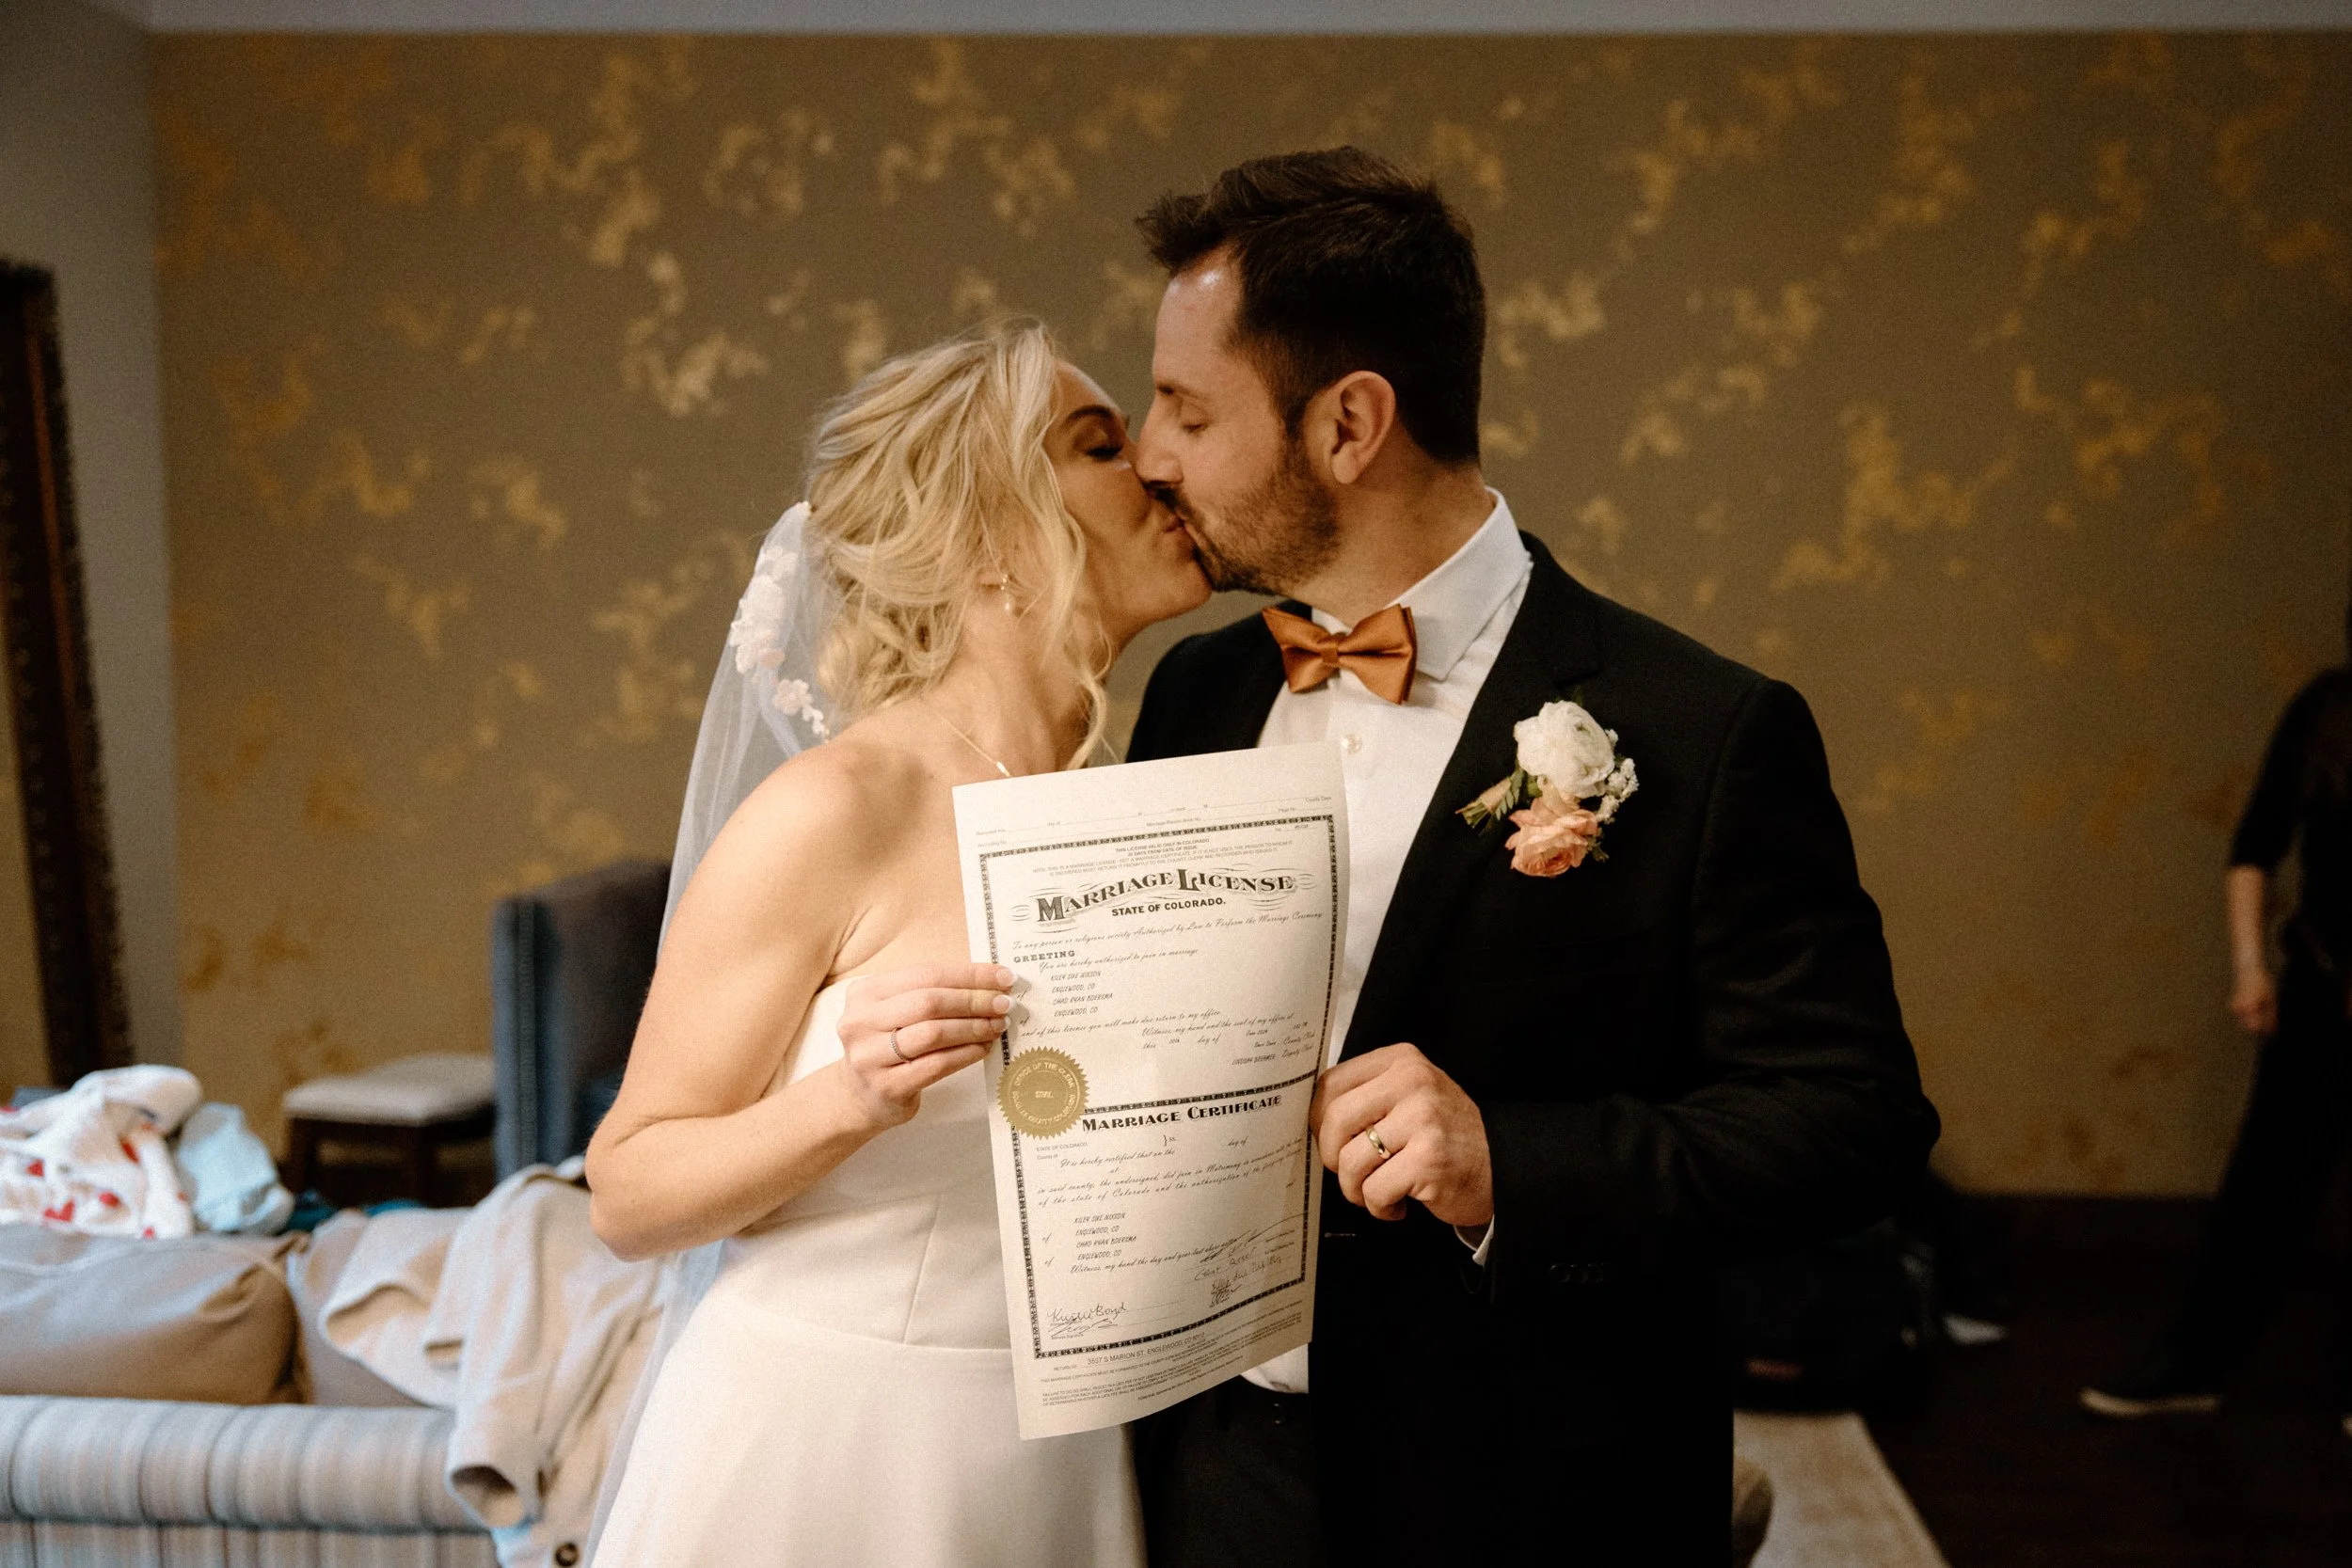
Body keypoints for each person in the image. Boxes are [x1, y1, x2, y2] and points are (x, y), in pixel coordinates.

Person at [1121, 147, 1941, 1565]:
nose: (1150, 450)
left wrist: (1516, 1158)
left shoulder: (1704, 728)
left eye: (1189, 407)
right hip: (1208, 1463)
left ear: (1350, 424)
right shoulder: (1195, 693)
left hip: (1531, 1486)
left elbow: (1851, 1122)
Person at [585, 318, 1210, 1566]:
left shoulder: (1133, 804)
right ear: (989, 538)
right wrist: (851, 1096)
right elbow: (629, 1185)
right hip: (826, 1448)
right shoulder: (839, 805)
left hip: (1059, 1458)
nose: (1158, 470)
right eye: (1100, 445)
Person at [2083, 618, 2352, 1431]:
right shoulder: (2327, 711)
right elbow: (2255, 847)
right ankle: (2192, 1362)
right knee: (2266, 1189)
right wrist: (2250, 967)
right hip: (2321, 980)